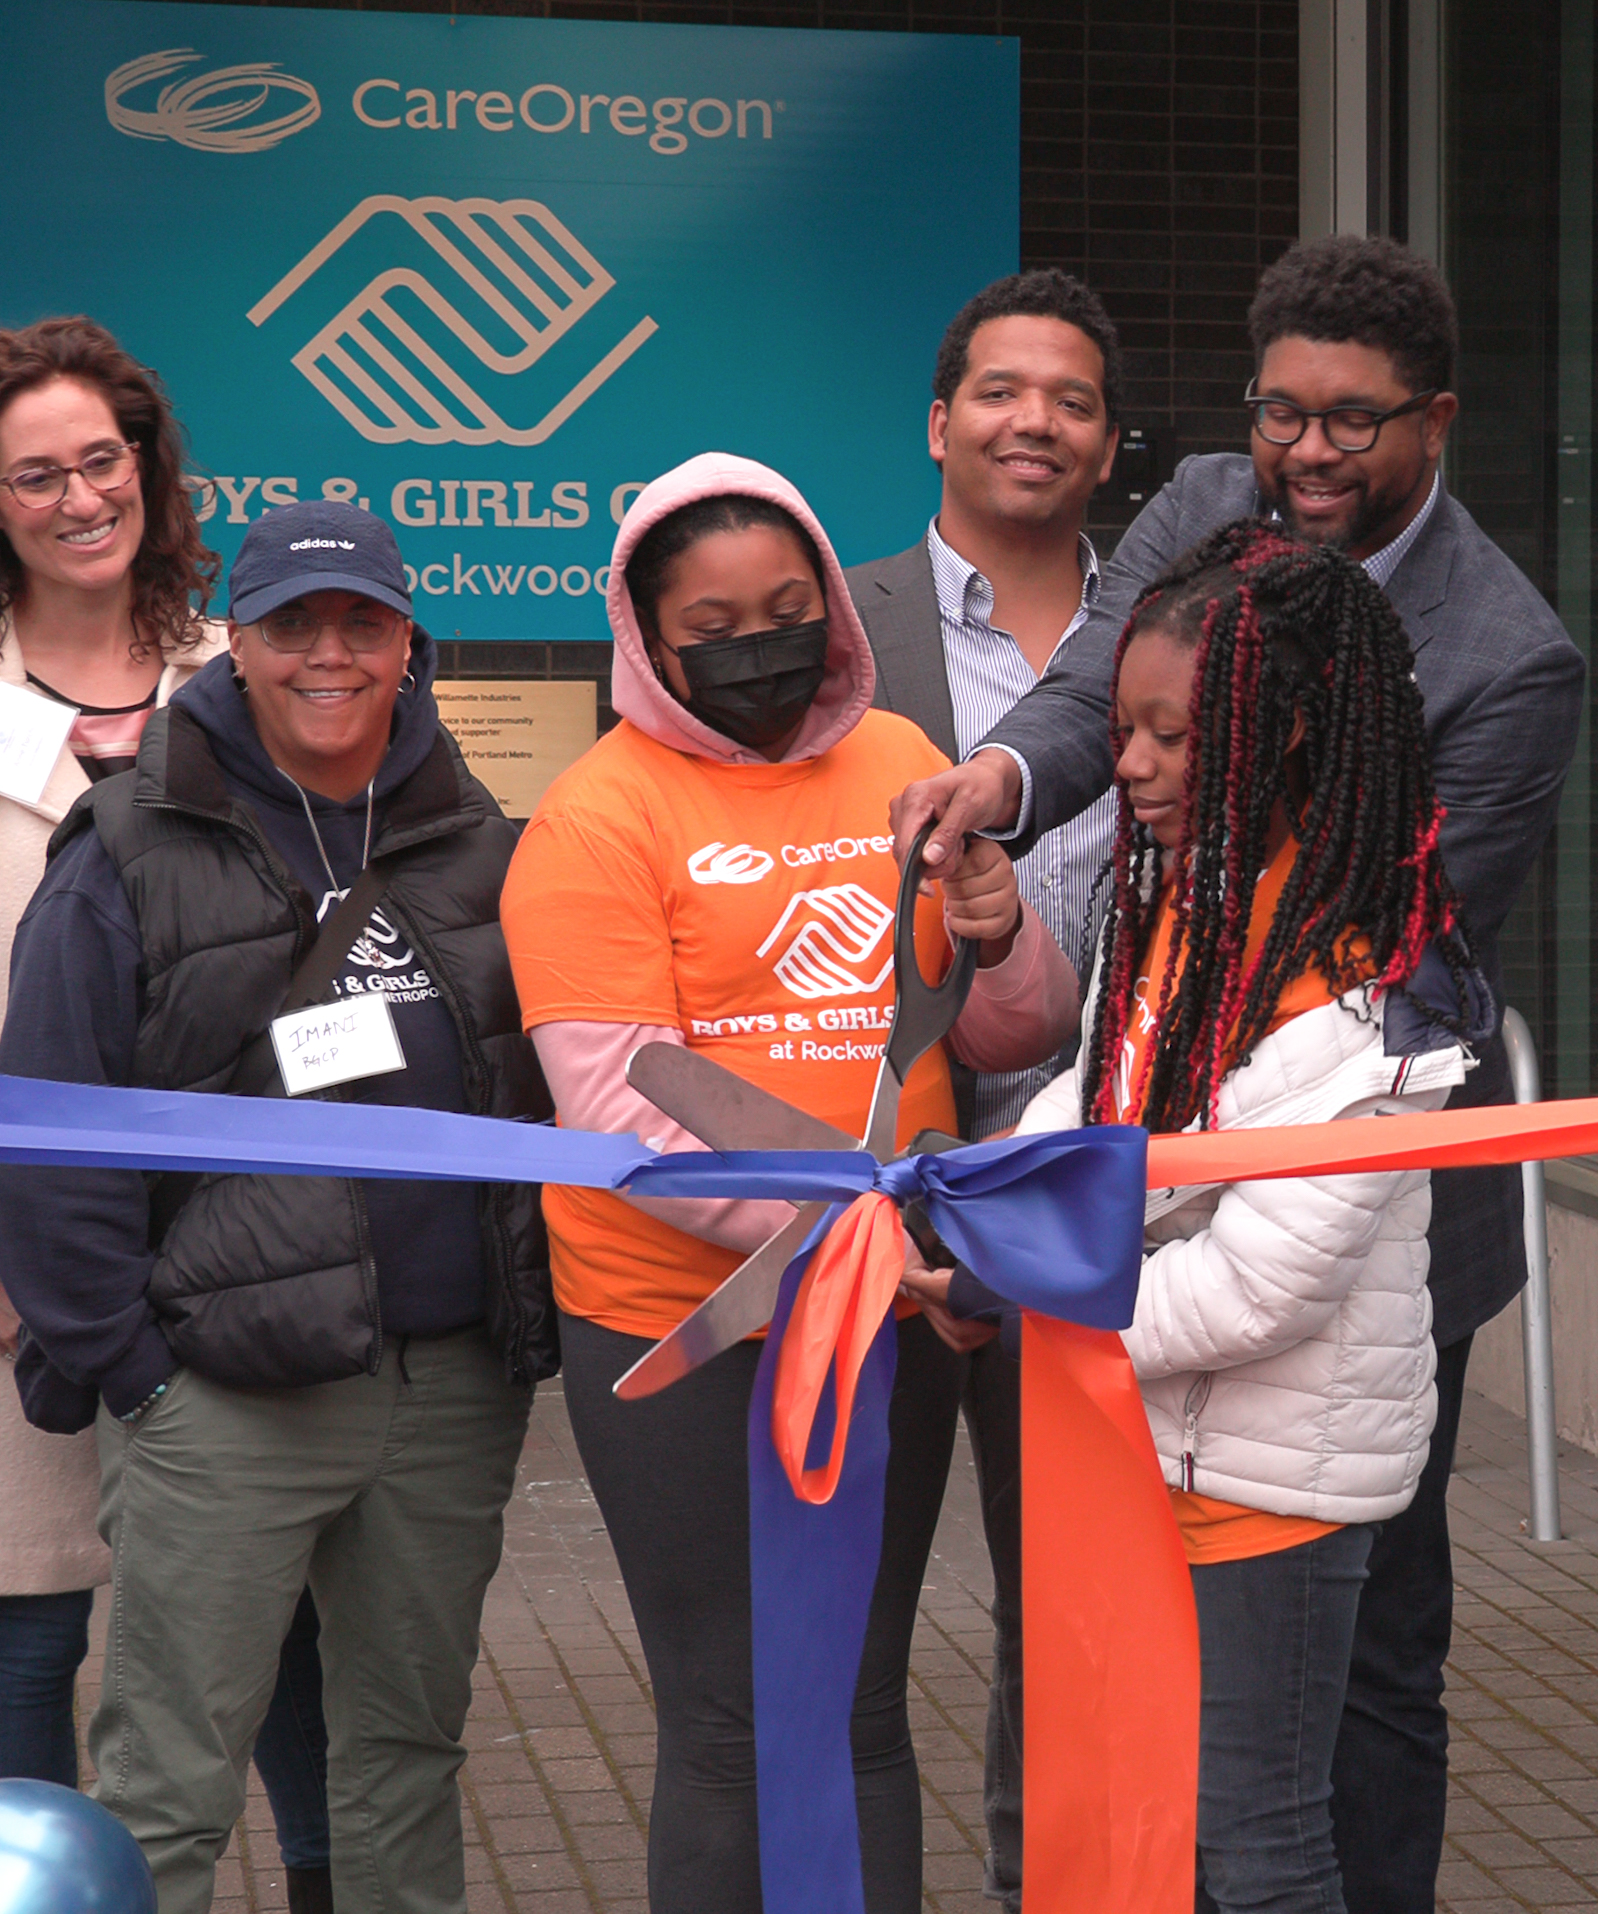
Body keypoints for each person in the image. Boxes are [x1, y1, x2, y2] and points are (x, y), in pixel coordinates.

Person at [893, 236, 1585, 1912]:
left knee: (1349, 1685)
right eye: (1282, 413)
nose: (1308, 457)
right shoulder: (1210, 494)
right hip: (1148, 1196)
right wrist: (998, 779)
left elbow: (1402, 947)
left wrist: (1072, 1251)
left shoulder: (1506, 652)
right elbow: (1088, 696)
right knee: (1131, 1678)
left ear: (1436, 420)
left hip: (1351, 1240)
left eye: (1354, 422)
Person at [498, 452, 1077, 1914]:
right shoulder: (594, 818)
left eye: (788, 607)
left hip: (891, 1313)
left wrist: (1000, 932)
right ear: (644, 631)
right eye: (712, 622)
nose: (758, 644)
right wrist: (877, 1240)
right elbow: (627, 1112)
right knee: (733, 1720)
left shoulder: (898, 757)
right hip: (684, 1332)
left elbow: (1003, 1040)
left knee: (866, 1706)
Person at [0, 499, 547, 1914]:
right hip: (218, 1398)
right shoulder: (124, 847)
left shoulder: (485, 840)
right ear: (237, 641)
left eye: (363, 621)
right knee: (171, 1780)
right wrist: (139, 1373)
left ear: (410, 642)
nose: (330, 653)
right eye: (295, 622)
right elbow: (45, 1140)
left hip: (445, 1389)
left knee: (405, 1757)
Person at [0, 317, 336, 1913]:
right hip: (23, 1246)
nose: (77, 498)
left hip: (233, 1238)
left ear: (149, 468)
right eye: (35, 475)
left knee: (274, 1609)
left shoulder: (235, 666)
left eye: (101, 461)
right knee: (35, 1617)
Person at [949, 518, 1480, 1913]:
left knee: (1256, 1847)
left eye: (1170, 737)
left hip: (1269, 1491)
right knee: (1144, 1826)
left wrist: (1027, 1302)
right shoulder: (1178, 905)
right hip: (1139, 1451)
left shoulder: (1379, 991)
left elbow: (1259, 1291)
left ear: (1287, 732)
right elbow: (1092, 1098)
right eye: (1124, 728)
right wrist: (973, 1202)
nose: (1126, 767)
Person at [841, 267, 1125, 1912]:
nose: (1037, 422)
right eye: (1004, 392)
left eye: (1073, 400)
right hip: (891, 1186)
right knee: (854, 1618)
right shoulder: (844, 623)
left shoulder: (1157, 625)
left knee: (1071, 1615)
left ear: (1105, 440)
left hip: (1109, 1190)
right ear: (940, 420)